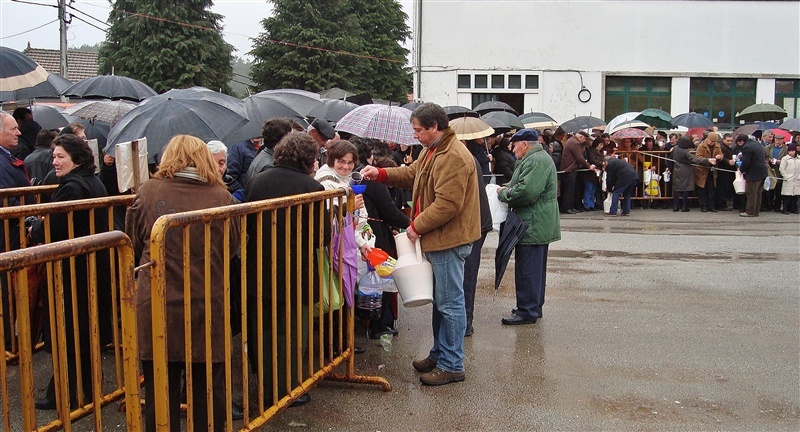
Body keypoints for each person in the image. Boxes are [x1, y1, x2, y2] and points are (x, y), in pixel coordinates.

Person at [360, 102, 480, 386]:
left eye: (417, 130)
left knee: (450, 303)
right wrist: (382, 175)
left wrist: (415, 227)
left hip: (448, 239)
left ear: (434, 127)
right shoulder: (434, 149)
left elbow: (448, 204)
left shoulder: (453, 155)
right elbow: (412, 174)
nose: (414, 135)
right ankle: (440, 354)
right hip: (440, 237)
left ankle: (452, 364)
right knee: (442, 302)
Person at [126, 135, 240, 431]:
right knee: (208, 386)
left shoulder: (148, 190)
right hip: (206, 298)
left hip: (157, 298)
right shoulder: (221, 196)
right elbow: (234, 245)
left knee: (159, 387)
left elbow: (134, 238)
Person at [28, 134, 112, 410]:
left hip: (73, 272)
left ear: (76, 159)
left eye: (60, 156)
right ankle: (81, 389)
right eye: (54, 156)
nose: (55, 161)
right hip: (90, 268)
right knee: (84, 332)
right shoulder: (91, 181)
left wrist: (36, 229)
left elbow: (57, 227)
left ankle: (66, 393)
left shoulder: (72, 188)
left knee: (70, 332)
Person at [246, 131, 328, 407]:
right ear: (307, 158)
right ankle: (288, 389)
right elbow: (323, 236)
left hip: (261, 268)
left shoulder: (258, 181)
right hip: (298, 270)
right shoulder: (311, 188)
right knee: (293, 333)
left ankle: (266, 388)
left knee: (264, 331)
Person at [495, 129, 560, 325]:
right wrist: (506, 187)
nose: (513, 149)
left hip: (532, 222)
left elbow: (526, 192)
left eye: (514, 145)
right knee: (535, 268)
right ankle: (533, 306)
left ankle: (527, 311)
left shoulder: (535, 160)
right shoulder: (536, 158)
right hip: (537, 221)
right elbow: (520, 183)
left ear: (524, 144)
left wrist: (503, 194)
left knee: (528, 269)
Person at [351, 137, 409, 337]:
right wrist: (411, 224)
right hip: (374, 232)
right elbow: (389, 211)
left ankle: (363, 321)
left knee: (359, 280)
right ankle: (379, 324)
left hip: (356, 232)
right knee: (379, 278)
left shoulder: (348, 176)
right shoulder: (369, 178)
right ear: (370, 157)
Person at [0, 111, 32, 352]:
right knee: (6, 290)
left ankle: (10, 339)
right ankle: (8, 341)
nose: (19, 132)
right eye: (13, 129)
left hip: (12, 234)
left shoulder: (7, 158)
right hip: (6, 237)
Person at [244, 117, 296, 189]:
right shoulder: (270, 166)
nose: (294, 142)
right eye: (291, 138)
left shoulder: (263, 154)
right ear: (280, 141)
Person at [672, 136, 715, 212]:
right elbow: (695, 160)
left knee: (677, 188)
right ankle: (684, 207)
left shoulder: (675, 148)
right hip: (686, 170)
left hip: (677, 168)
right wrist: (708, 160)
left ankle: (675, 206)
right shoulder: (685, 152)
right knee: (686, 188)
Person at [560, 131, 595, 214]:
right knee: (569, 190)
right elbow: (579, 158)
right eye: (585, 139)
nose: (585, 141)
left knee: (571, 189)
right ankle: (567, 207)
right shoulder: (575, 143)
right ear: (581, 137)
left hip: (569, 168)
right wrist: (589, 166)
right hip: (570, 169)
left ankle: (571, 207)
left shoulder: (571, 141)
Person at [738, 134, 768, 217]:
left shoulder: (747, 147)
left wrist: (741, 170)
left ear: (741, 141)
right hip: (762, 172)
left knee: (751, 193)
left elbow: (746, 162)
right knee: (758, 193)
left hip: (753, 173)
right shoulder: (757, 144)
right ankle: (756, 211)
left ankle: (750, 211)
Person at [694, 132, 723, 212]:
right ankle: (703, 206)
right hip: (703, 170)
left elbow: (721, 155)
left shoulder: (717, 146)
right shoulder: (701, 146)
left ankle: (711, 206)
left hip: (712, 171)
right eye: (711, 141)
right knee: (702, 189)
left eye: (714, 142)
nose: (712, 143)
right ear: (707, 139)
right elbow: (697, 158)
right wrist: (708, 160)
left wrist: (719, 157)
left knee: (712, 189)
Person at [764, 134, 788, 212]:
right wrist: (770, 160)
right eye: (776, 140)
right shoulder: (769, 147)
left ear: (782, 140)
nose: (777, 142)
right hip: (771, 169)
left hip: (780, 170)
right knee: (770, 188)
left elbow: (787, 158)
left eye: (779, 140)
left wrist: (781, 161)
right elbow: (765, 157)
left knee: (779, 189)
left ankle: (777, 206)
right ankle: (769, 205)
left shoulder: (786, 148)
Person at [714, 133, 737, 211]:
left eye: (731, 140)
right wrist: (728, 161)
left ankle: (722, 203)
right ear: (723, 139)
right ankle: (721, 205)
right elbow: (721, 158)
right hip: (723, 170)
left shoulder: (727, 147)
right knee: (722, 188)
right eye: (728, 140)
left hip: (727, 170)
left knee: (724, 188)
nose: (730, 142)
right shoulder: (722, 147)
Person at [583, 137, 604, 211]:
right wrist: (601, 163)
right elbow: (592, 160)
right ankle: (587, 204)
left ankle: (591, 204)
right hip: (591, 172)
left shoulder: (600, 152)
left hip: (597, 173)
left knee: (593, 190)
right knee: (589, 189)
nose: (601, 146)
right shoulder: (591, 151)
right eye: (600, 144)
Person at [778, 143, 800, 214]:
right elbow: (782, 169)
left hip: (797, 179)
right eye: (790, 151)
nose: (791, 152)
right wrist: (785, 176)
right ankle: (785, 209)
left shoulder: (799, 159)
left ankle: (793, 209)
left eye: (793, 151)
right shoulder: (785, 159)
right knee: (786, 196)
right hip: (788, 179)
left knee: (795, 196)